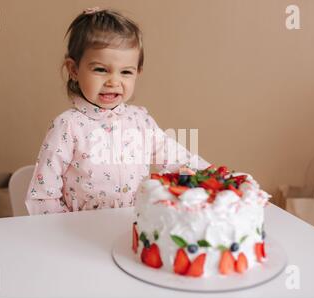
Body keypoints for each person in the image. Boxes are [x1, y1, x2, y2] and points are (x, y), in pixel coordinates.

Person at [25, 7, 210, 214]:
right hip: (78, 230)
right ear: (74, 70)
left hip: (129, 225)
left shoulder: (141, 120)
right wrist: (62, 232)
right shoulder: (68, 125)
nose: (114, 81)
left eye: (126, 72)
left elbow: (175, 156)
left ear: (137, 73)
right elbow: (43, 194)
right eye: (101, 70)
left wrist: (214, 175)